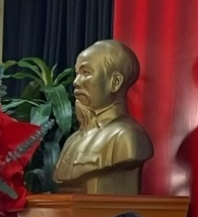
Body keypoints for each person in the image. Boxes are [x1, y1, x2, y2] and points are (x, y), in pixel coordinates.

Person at [53, 40, 153, 193]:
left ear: (115, 82)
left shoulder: (128, 136)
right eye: (77, 73)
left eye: (86, 73)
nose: (76, 82)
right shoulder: (72, 141)